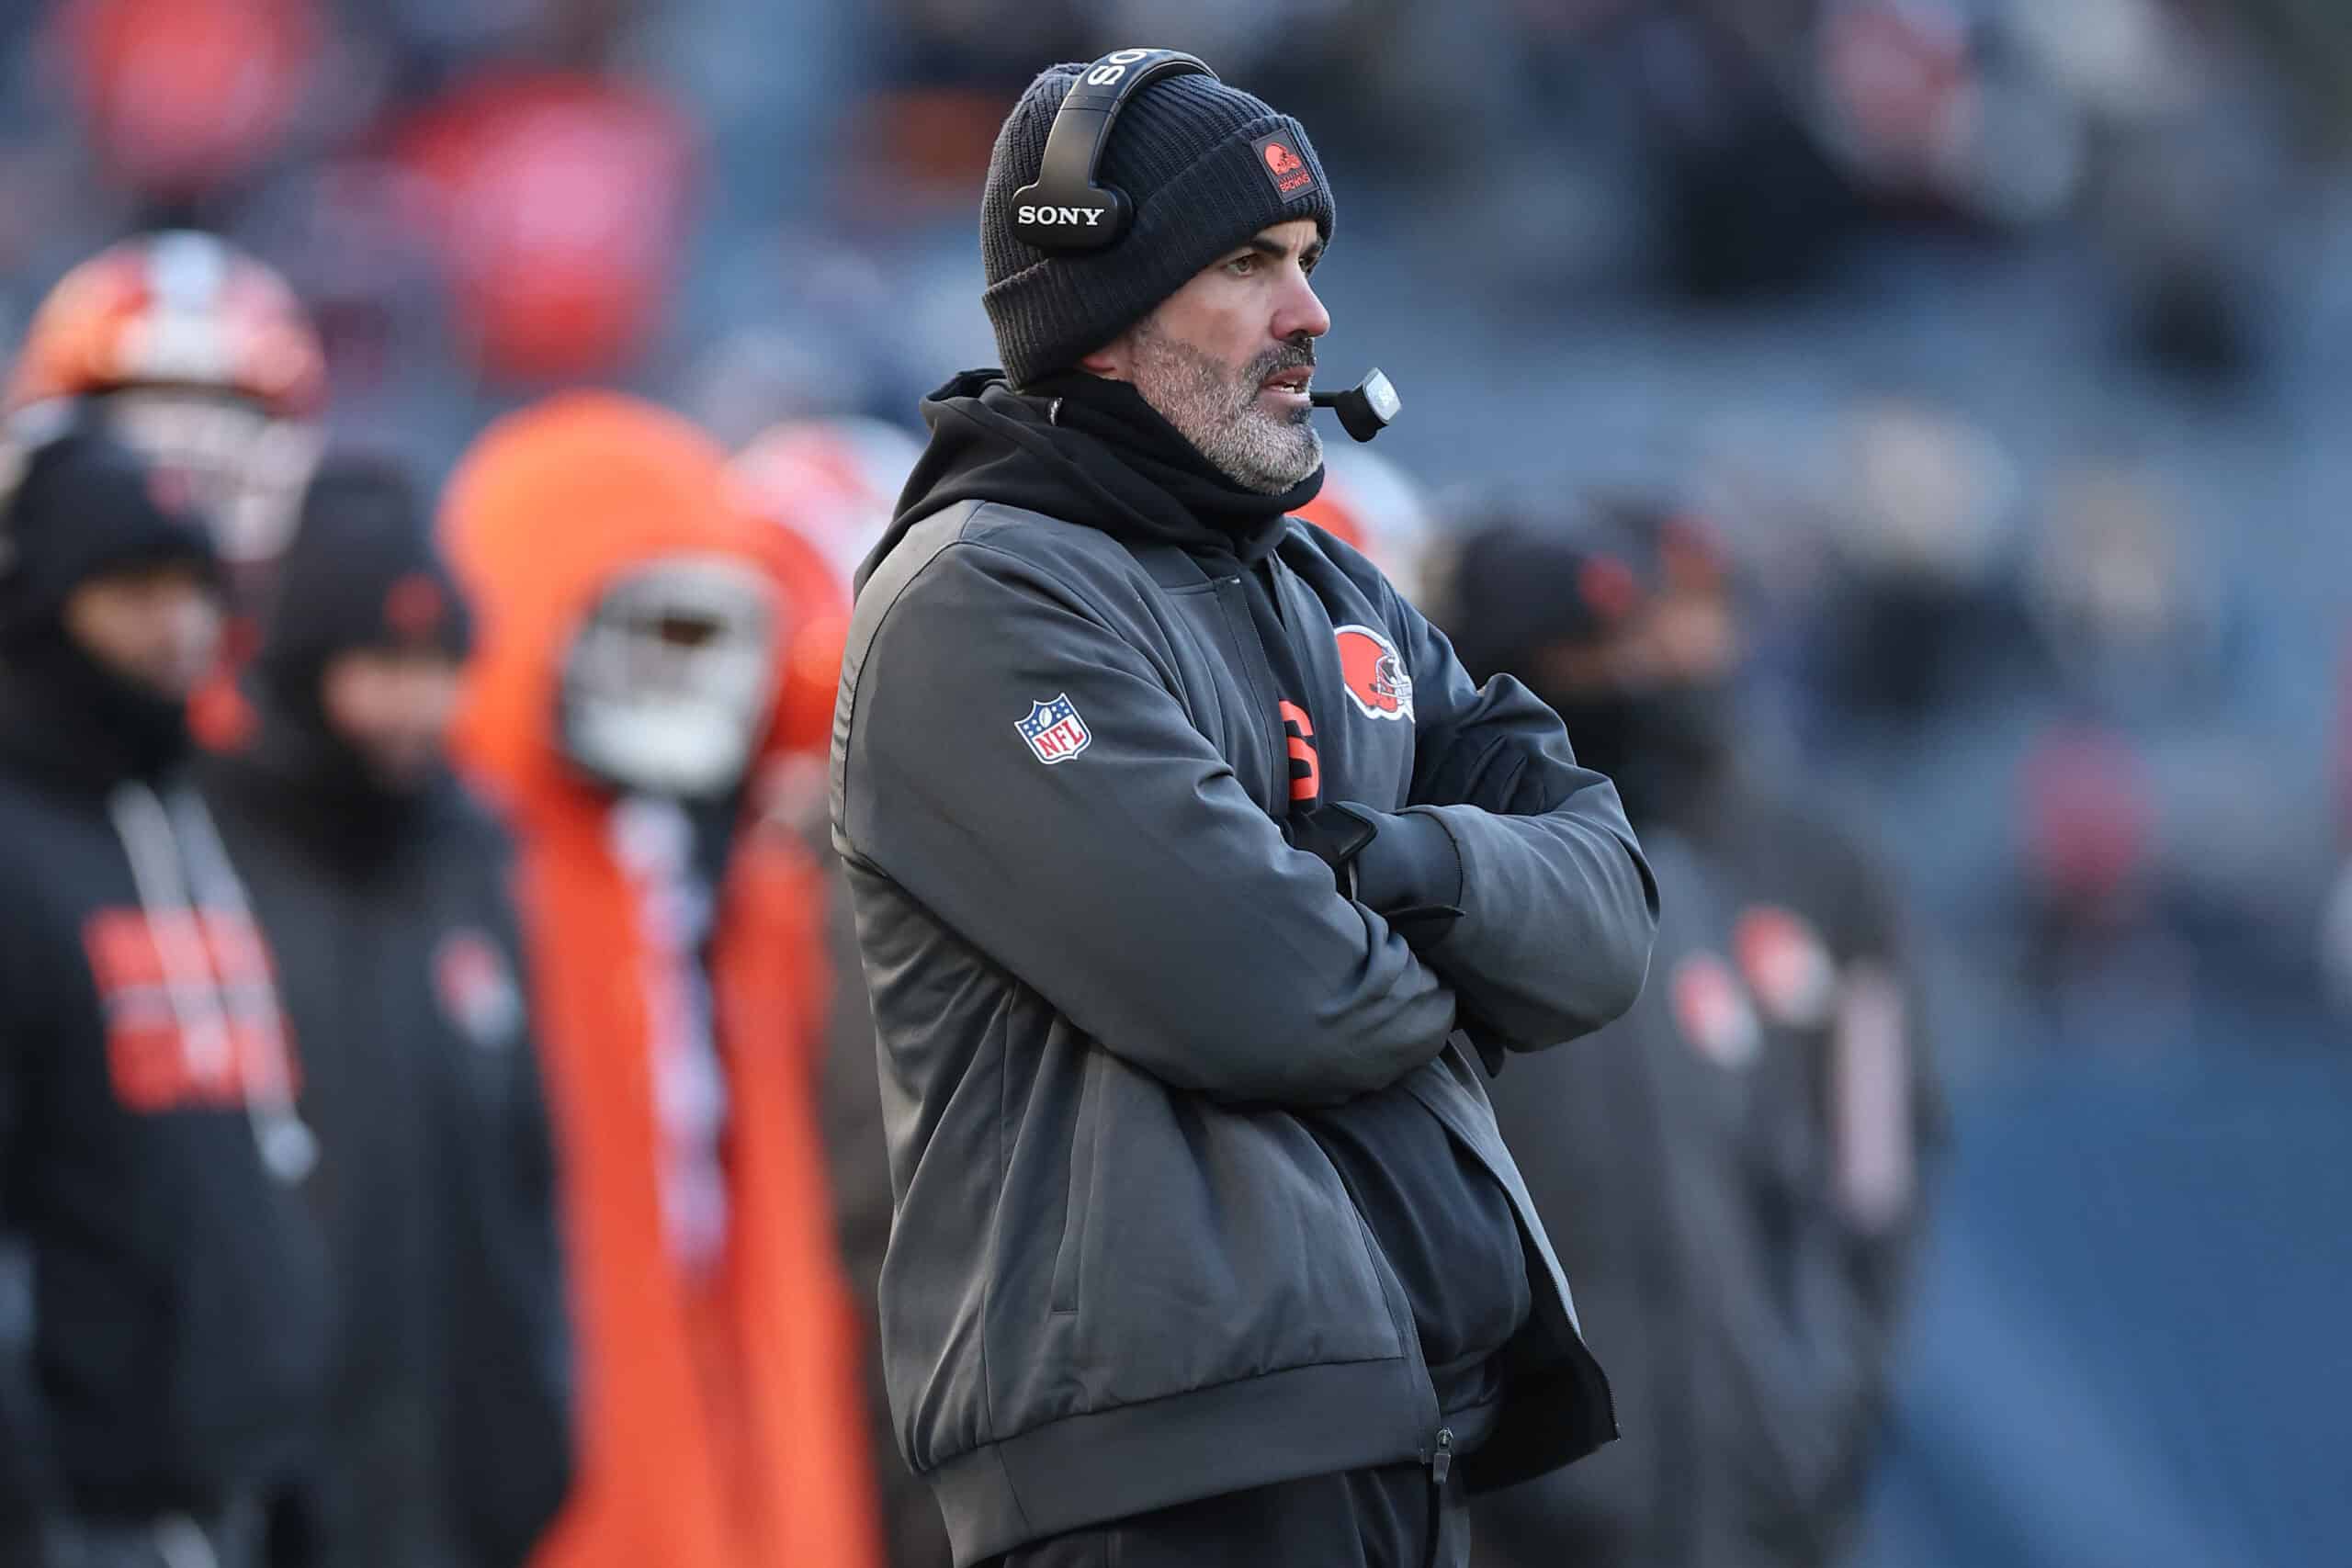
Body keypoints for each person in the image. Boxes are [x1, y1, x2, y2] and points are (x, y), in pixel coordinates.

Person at [832, 53, 1659, 1568]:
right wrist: (1457, 938)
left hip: (1397, 1432)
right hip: (1152, 1482)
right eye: (1246, 264)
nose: (1312, 314)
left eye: (1310, 261)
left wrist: (1386, 861)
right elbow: (1274, 994)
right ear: (1100, 308)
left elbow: (1607, 920)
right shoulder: (978, 599)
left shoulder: (1335, 588)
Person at [1437, 498, 1941, 1568]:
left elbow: (1870, 1182)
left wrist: (1825, 1411)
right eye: (1613, 634)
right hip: (1538, 1509)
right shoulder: (1473, 892)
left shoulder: (1818, 865)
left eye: (1694, 610)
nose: (1667, 650)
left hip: (1755, 1482)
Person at [438, 391, 884, 1568]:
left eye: (722, 637)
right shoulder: (473, 896)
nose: (696, 684)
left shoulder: (741, 888)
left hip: (741, 1439)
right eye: (659, 632)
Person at [197, 456, 573, 1568]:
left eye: (439, 664)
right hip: (276, 1489)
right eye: (381, 663)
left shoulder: (474, 859)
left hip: (464, 1486)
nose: (418, 701)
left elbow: (526, 1169)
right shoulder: (210, 852)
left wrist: (543, 1426)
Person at [0, 420, 329, 1568]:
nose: (180, 623)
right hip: (77, 1512)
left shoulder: (188, 816)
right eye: (135, 586)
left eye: (197, 585)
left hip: (231, 1484)